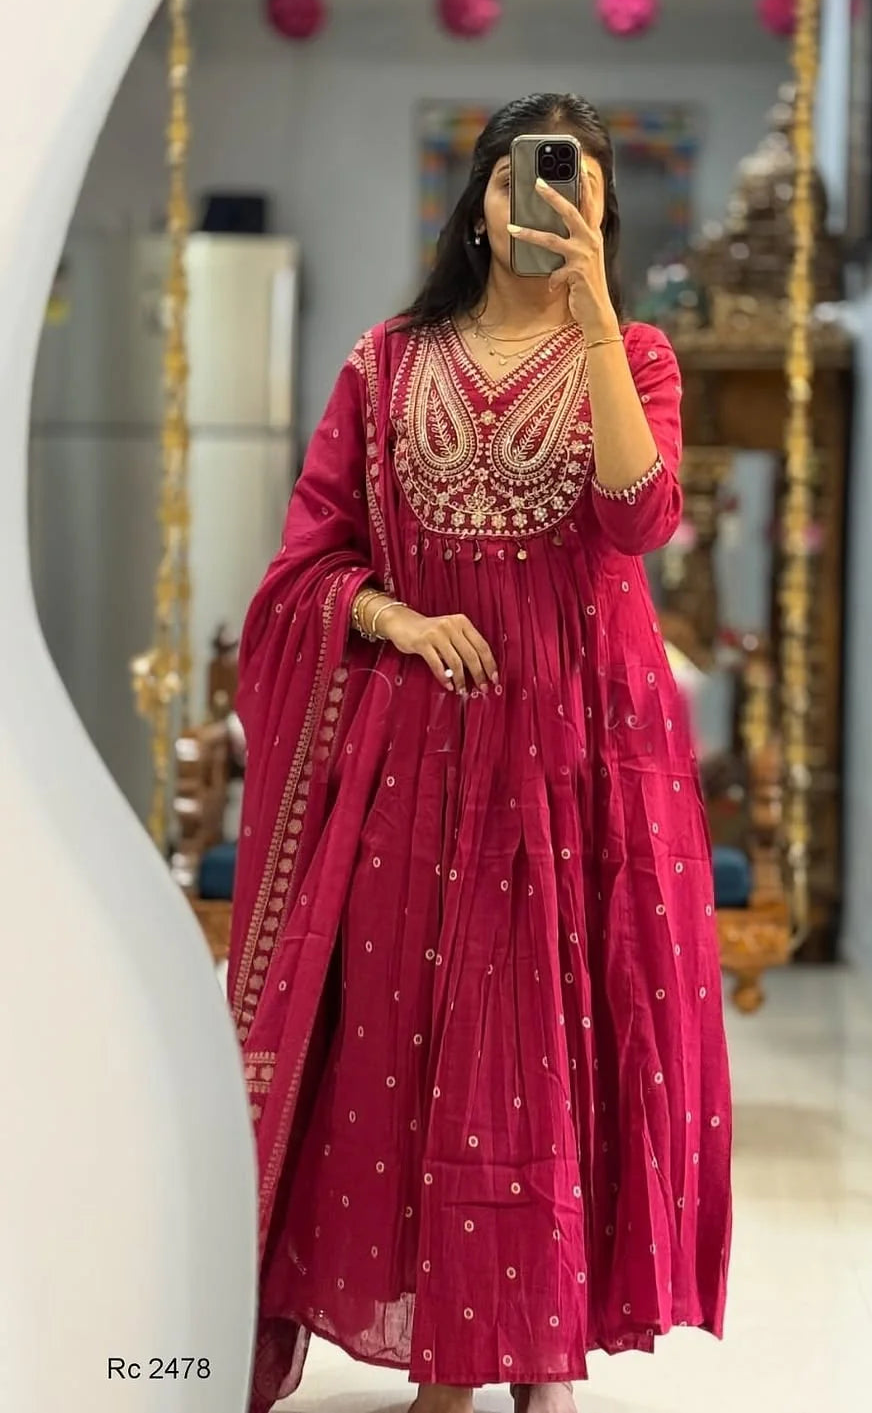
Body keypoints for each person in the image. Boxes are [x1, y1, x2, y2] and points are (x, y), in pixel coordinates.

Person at [226, 92, 732, 1413]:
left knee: (564, 1042)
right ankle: (449, 1362)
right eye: (519, 181)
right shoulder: (386, 365)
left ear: (603, 211)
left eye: (574, 188)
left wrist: (596, 311)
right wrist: (397, 617)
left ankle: (542, 1352)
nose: (542, 205)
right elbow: (306, 564)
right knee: (416, 1037)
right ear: (478, 201)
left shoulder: (639, 358)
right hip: (423, 755)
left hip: (585, 761)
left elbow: (640, 517)